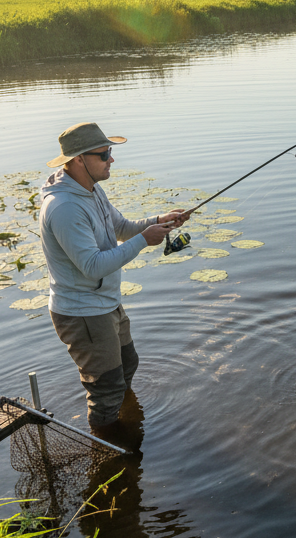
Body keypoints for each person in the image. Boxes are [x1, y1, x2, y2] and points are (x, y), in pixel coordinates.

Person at [40, 122, 188, 436]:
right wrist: (144, 240)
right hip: (83, 313)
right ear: (79, 159)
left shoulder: (91, 189)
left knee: (128, 364)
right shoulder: (65, 207)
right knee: (105, 388)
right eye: (105, 154)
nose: (112, 160)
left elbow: (121, 227)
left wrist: (160, 221)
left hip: (105, 303)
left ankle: (125, 419)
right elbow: (92, 266)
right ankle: (108, 452)